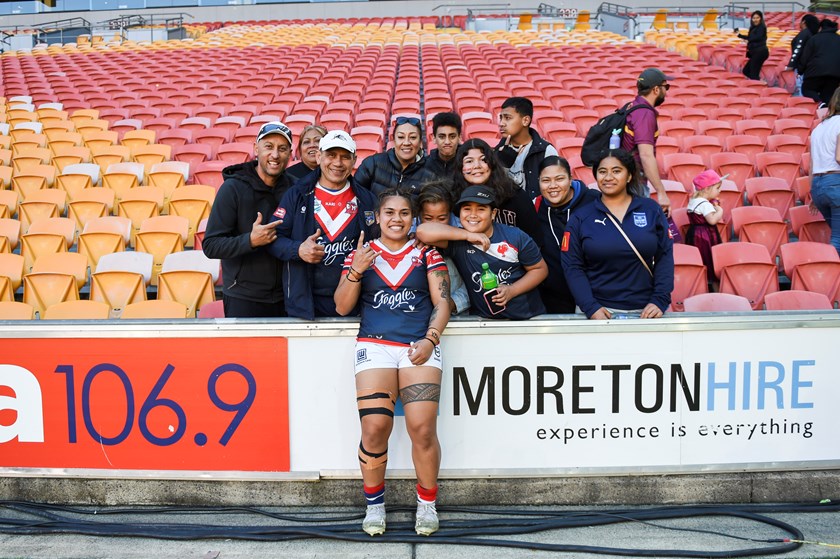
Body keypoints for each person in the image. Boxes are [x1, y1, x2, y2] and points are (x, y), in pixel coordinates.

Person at [333, 187, 451, 537]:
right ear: (378, 217)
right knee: (374, 429)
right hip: (375, 345)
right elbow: (341, 306)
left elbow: (442, 303)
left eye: (403, 213)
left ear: (413, 218)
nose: (396, 219)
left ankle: (427, 504)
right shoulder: (362, 254)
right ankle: (374, 506)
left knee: (422, 429)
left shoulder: (428, 254)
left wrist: (431, 339)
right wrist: (355, 271)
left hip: (419, 345)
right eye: (389, 212)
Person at [266, 130, 378, 319]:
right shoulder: (297, 194)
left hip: (355, 302)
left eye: (345, 157)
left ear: (354, 160)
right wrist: (298, 249)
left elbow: (381, 244)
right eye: (331, 155)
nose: (337, 163)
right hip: (305, 304)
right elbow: (272, 239)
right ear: (319, 156)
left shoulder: (367, 199)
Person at [561, 149, 673, 319]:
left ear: (629, 176)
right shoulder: (581, 217)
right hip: (598, 312)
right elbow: (572, 266)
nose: (608, 177)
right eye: (602, 171)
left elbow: (664, 256)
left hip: (646, 311)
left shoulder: (651, 209)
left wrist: (659, 300)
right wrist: (590, 307)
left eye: (616, 171)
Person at [202, 121, 293, 318]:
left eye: (282, 149)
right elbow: (211, 245)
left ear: (290, 154)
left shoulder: (295, 189)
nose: (275, 155)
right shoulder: (232, 188)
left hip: (287, 295)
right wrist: (250, 241)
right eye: (268, 146)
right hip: (243, 297)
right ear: (256, 149)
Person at [416, 185, 548, 320]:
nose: (473, 215)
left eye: (481, 209)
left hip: (527, 318)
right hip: (483, 322)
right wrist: (467, 235)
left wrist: (512, 291)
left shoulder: (515, 237)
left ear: (493, 213)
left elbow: (540, 269)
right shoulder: (458, 241)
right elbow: (422, 231)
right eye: (467, 209)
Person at [533, 156, 599, 313]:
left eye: (559, 179)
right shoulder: (535, 206)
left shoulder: (594, 201)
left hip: (594, 295)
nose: (553, 186)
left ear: (570, 179)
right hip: (553, 299)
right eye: (546, 180)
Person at [453, 138, 543, 247]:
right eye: (469, 161)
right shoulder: (453, 196)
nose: (477, 165)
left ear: (492, 164)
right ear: (460, 167)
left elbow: (535, 239)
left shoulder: (515, 195)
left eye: (483, 159)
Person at [621, 68, 672, 215]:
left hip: (629, 180)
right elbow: (646, 155)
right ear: (656, 89)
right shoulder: (644, 114)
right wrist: (661, 193)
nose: (667, 92)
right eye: (665, 87)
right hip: (635, 182)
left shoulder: (634, 106)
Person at [417, 181, 470, 314]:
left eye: (441, 219)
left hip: (457, 316)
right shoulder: (409, 235)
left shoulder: (464, 234)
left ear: (450, 214)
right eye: (428, 218)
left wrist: (452, 304)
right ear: (418, 216)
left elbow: (473, 283)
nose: (435, 225)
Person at [494, 96, 558, 199]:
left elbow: (554, 188)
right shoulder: (497, 151)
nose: (501, 123)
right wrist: (503, 164)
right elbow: (492, 189)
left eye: (507, 118)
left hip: (535, 212)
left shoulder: (546, 151)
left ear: (525, 120)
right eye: (501, 118)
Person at [355, 115, 435, 197]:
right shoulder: (372, 164)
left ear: (420, 143)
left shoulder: (430, 175)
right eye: (401, 137)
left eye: (413, 137)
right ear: (394, 141)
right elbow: (354, 196)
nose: (406, 142)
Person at [809, 86, 840, 256]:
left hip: (819, 187)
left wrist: (813, 195)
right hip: (836, 183)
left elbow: (812, 166)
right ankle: (826, 278)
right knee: (838, 240)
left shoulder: (818, 128)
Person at [685, 170, 725, 282]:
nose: (720, 190)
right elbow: (712, 220)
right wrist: (719, 210)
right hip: (705, 236)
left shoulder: (693, 201)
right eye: (717, 188)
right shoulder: (705, 204)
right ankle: (712, 283)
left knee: (699, 259)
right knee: (709, 259)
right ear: (707, 189)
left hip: (694, 233)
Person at [797, 18, 840, 106]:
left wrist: (800, 70)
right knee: (828, 95)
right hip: (835, 74)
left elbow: (805, 57)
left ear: (820, 28)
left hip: (815, 72)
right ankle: (824, 112)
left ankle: (820, 104)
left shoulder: (814, 39)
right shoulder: (838, 39)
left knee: (807, 90)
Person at [785, 14, 820, 95]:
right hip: (810, 66)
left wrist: (791, 64)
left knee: (800, 86)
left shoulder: (804, 34)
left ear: (803, 22)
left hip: (801, 66)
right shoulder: (811, 34)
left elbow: (797, 50)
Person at [425, 112, 462, 181]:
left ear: (459, 138)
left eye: (452, 137)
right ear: (434, 138)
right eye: (442, 137)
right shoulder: (424, 165)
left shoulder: (467, 164)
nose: (447, 142)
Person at [736, 11, 769, 81]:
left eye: (757, 18)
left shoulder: (762, 27)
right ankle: (760, 82)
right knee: (746, 71)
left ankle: (759, 86)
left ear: (761, 18)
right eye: (754, 18)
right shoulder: (753, 28)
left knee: (753, 74)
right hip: (755, 52)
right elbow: (751, 37)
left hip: (760, 52)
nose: (755, 20)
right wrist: (740, 35)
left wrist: (747, 40)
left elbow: (756, 37)